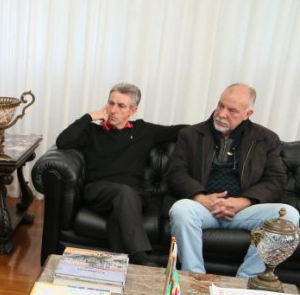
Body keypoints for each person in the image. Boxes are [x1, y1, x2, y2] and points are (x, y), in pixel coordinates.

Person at [168, 83, 299, 277]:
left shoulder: (266, 139)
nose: (221, 113)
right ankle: (194, 278)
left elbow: (276, 180)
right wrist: (202, 198)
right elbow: (176, 173)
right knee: (181, 209)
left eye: (232, 111)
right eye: (220, 105)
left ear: (248, 113)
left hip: (245, 211)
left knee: (288, 216)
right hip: (204, 208)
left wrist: (242, 202)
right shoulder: (191, 135)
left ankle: (245, 281)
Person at [56, 83, 185, 265]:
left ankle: (122, 269)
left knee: (119, 216)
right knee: (123, 193)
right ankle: (140, 258)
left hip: (133, 198)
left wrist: (215, 124)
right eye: (111, 103)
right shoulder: (93, 131)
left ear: (133, 110)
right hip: (98, 192)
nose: (113, 110)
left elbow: (179, 130)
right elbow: (62, 141)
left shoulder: (143, 131)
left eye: (121, 106)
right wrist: (89, 116)